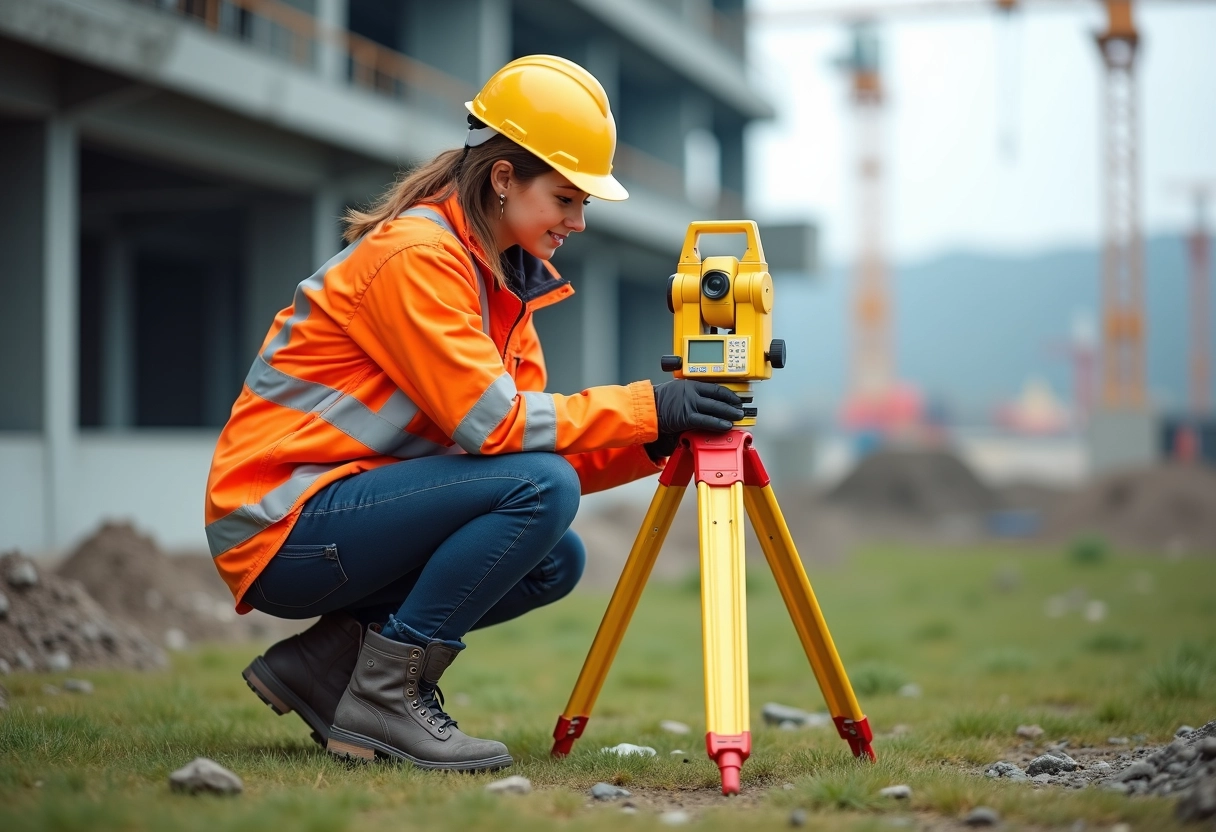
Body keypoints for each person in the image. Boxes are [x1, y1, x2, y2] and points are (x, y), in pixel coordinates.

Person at [205, 55, 744, 772]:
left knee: (554, 560)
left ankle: (326, 669)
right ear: (502, 179)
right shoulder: (418, 257)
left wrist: (656, 436)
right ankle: (386, 702)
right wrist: (646, 404)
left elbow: (529, 455)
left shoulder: (502, 289)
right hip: (282, 520)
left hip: (342, 509)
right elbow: (497, 427)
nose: (577, 222)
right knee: (540, 491)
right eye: (565, 199)